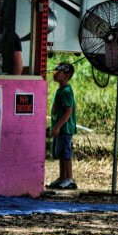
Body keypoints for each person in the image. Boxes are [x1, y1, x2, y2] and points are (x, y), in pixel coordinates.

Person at [46, 62, 77, 190]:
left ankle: (69, 178)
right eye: (55, 70)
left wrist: (58, 127)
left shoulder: (66, 92)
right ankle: (62, 177)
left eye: (59, 72)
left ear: (67, 75)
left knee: (65, 153)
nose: (55, 73)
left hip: (65, 129)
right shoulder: (60, 90)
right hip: (60, 128)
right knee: (60, 153)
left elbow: (68, 111)